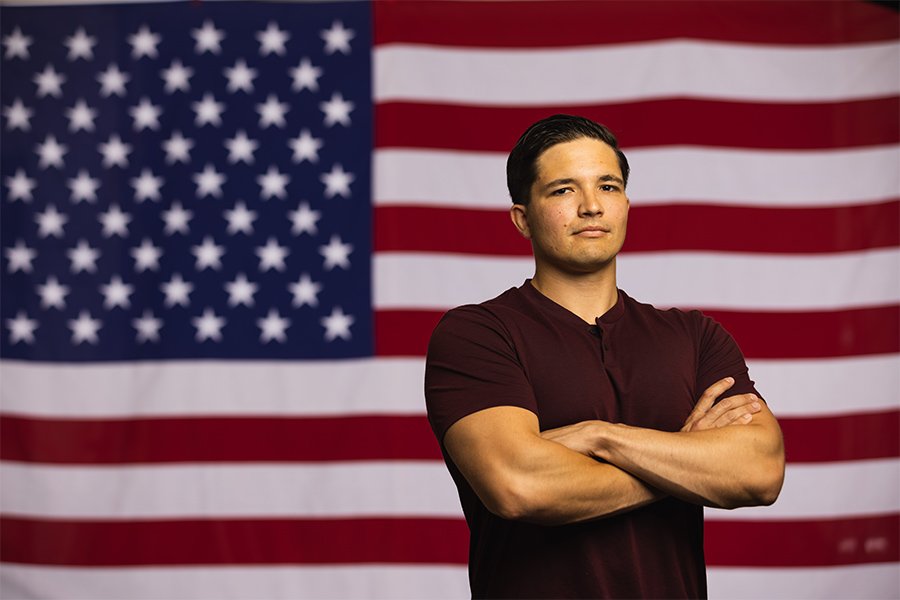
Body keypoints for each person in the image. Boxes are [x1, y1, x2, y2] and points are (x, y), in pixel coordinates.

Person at [424, 114, 785, 599]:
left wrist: (598, 436)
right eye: (563, 191)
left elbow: (759, 472)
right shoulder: (478, 334)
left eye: (608, 186)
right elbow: (517, 485)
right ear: (522, 218)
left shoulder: (695, 337)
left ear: (626, 205)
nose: (592, 206)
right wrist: (684, 457)